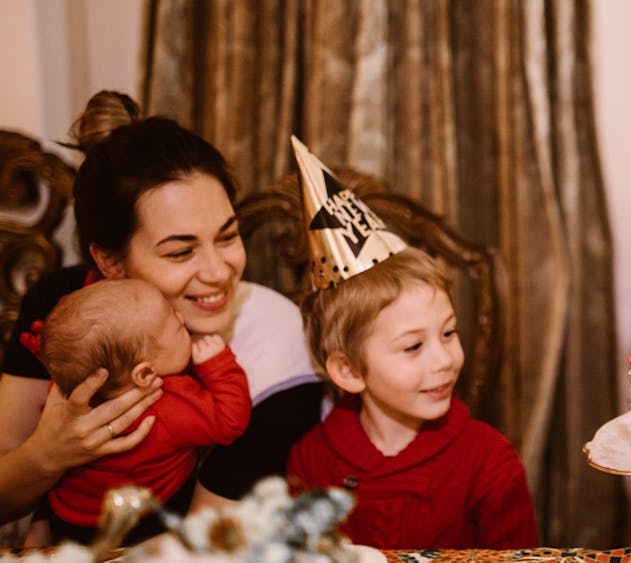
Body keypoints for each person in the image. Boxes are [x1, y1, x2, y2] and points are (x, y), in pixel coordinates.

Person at [0, 91, 322, 537]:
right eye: (180, 251)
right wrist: (47, 456)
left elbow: (199, 543)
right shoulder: (61, 308)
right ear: (109, 263)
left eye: (227, 237)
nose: (217, 271)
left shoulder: (277, 349)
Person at [285, 141, 536, 550]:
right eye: (413, 347)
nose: (445, 360)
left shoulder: (490, 462)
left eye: (449, 333)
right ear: (349, 371)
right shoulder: (311, 461)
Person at [39, 279, 251, 544]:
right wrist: (219, 364)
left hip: (68, 514)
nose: (180, 316)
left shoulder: (69, 395)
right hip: (139, 524)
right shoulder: (168, 406)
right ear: (145, 373)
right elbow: (230, 422)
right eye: (179, 329)